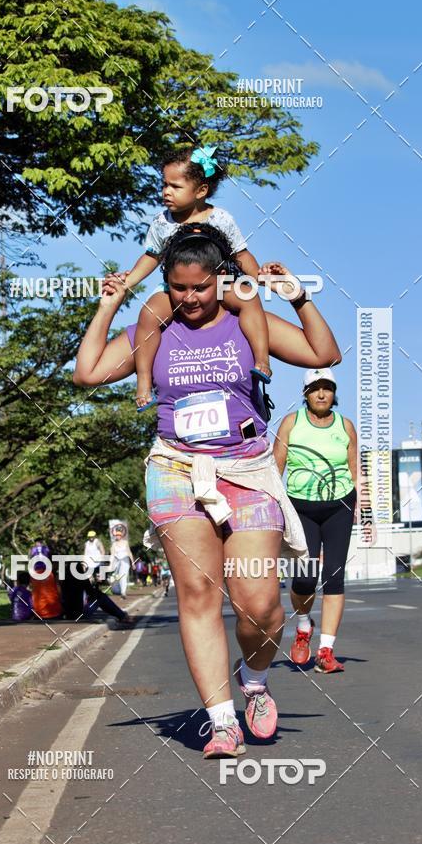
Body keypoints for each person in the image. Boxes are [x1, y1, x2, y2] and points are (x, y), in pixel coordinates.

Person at [74, 223, 343, 757]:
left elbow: (324, 354)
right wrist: (108, 305)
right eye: (178, 288)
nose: (189, 299)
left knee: (261, 606)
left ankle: (256, 678)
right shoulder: (155, 327)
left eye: (200, 287)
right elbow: (88, 373)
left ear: (220, 281)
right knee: (198, 593)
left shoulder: (248, 322)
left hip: (245, 470)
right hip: (176, 468)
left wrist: (299, 296)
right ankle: (223, 722)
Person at [123, 145, 271, 409]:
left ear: (201, 190)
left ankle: (262, 361)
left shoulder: (221, 218)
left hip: (220, 283)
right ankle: (144, 381)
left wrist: (259, 277)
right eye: (164, 184)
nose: (166, 192)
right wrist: (128, 282)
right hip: (177, 287)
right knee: (148, 314)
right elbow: (151, 257)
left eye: (175, 186)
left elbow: (241, 254)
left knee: (249, 298)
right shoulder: (161, 222)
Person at [273, 368, 360, 673]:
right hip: (301, 509)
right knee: (305, 579)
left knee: (334, 578)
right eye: (315, 388)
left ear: (334, 393)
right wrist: (273, 510)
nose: (322, 394)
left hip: (339, 507)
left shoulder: (345, 426)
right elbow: (276, 470)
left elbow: (354, 470)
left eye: (327, 388)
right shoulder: (291, 423)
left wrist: (364, 509)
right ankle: (303, 624)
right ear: (306, 394)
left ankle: (325, 652)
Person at [109, 522, 134, 599]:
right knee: (116, 577)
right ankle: (117, 590)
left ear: (121, 536)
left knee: (123, 576)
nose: (118, 536)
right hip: (117, 562)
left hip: (125, 561)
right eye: (116, 535)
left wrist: (133, 563)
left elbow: (129, 553)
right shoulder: (113, 544)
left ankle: (123, 592)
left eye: (119, 535)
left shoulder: (125, 543)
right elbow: (112, 555)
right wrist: (110, 564)